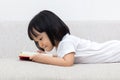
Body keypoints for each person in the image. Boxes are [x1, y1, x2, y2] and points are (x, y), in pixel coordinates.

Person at [28, 10, 120, 66]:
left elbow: (67, 62)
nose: (40, 44)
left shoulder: (66, 42)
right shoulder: (62, 46)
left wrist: (42, 59)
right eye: (36, 41)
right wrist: (45, 56)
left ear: (51, 30)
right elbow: (63, 56)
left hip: (114, 50)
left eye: (40, 39)